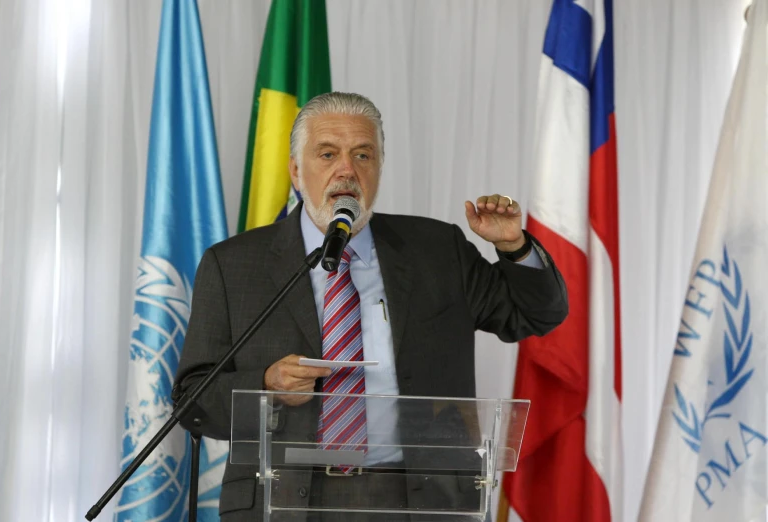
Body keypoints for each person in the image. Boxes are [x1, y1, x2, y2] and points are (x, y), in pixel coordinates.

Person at [174, 92, 568, 521]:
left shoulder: (438, 250)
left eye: (363, 155)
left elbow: (536, 313)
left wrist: (514, 247)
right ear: (295, 171)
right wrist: (266, 385)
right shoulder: (233, 265)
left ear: (379, 167)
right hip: (284, 502)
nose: (347, 170)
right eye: (328, 154)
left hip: (419, 502)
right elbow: (193, 402)